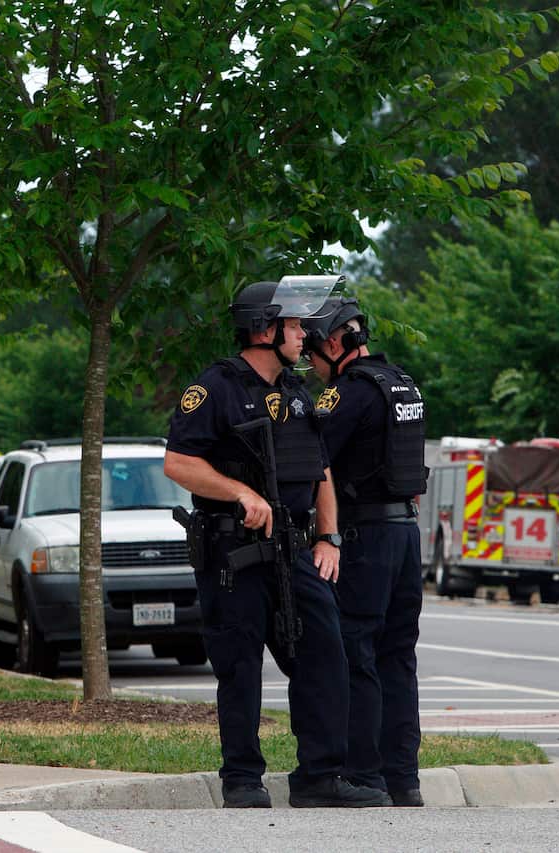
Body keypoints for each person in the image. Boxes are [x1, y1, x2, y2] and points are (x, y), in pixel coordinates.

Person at [164, 278, 389, 809]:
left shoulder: (296, 393)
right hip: (234, 552)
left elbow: (321, 471)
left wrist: (328, 537)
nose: (303, 335)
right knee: (240, 666)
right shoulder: (215, 388)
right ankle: (242, 778)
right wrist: (240, 492)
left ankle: (319, 776)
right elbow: (179, 463)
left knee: (324, 654)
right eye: (293, 325)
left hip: (293, 550)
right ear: (264, 329)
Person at [303, 296, 428, 808]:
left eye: (312, 352)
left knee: (358, 653)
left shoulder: (348, 392)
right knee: (398, 657)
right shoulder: (402, 382)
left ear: (335, 344)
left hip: (366, 538)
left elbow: (312, 454)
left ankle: (363, 774)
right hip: (405, 536)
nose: (310, 365)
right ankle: (404, 778)